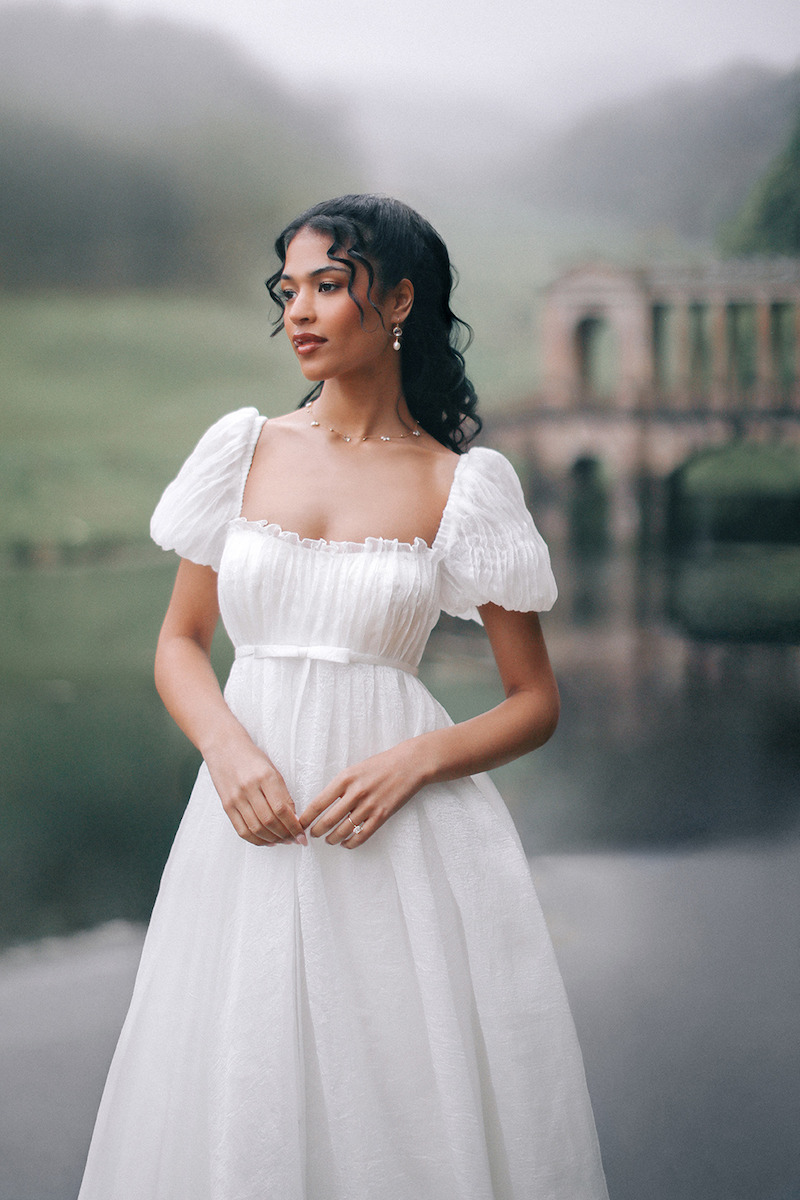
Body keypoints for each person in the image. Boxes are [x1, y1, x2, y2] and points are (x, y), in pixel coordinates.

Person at [78, 194, 608, 1200]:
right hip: (247, 825)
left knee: (400, 1099)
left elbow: (531, 699)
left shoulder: (462, 484)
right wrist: (229, 754)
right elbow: (181, 645)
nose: (301, 314)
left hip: (399, 836)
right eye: (289, 291)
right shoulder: (241, 448)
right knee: (240, 1076)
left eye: (330, 285)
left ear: (398, 299)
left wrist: (418, 758)